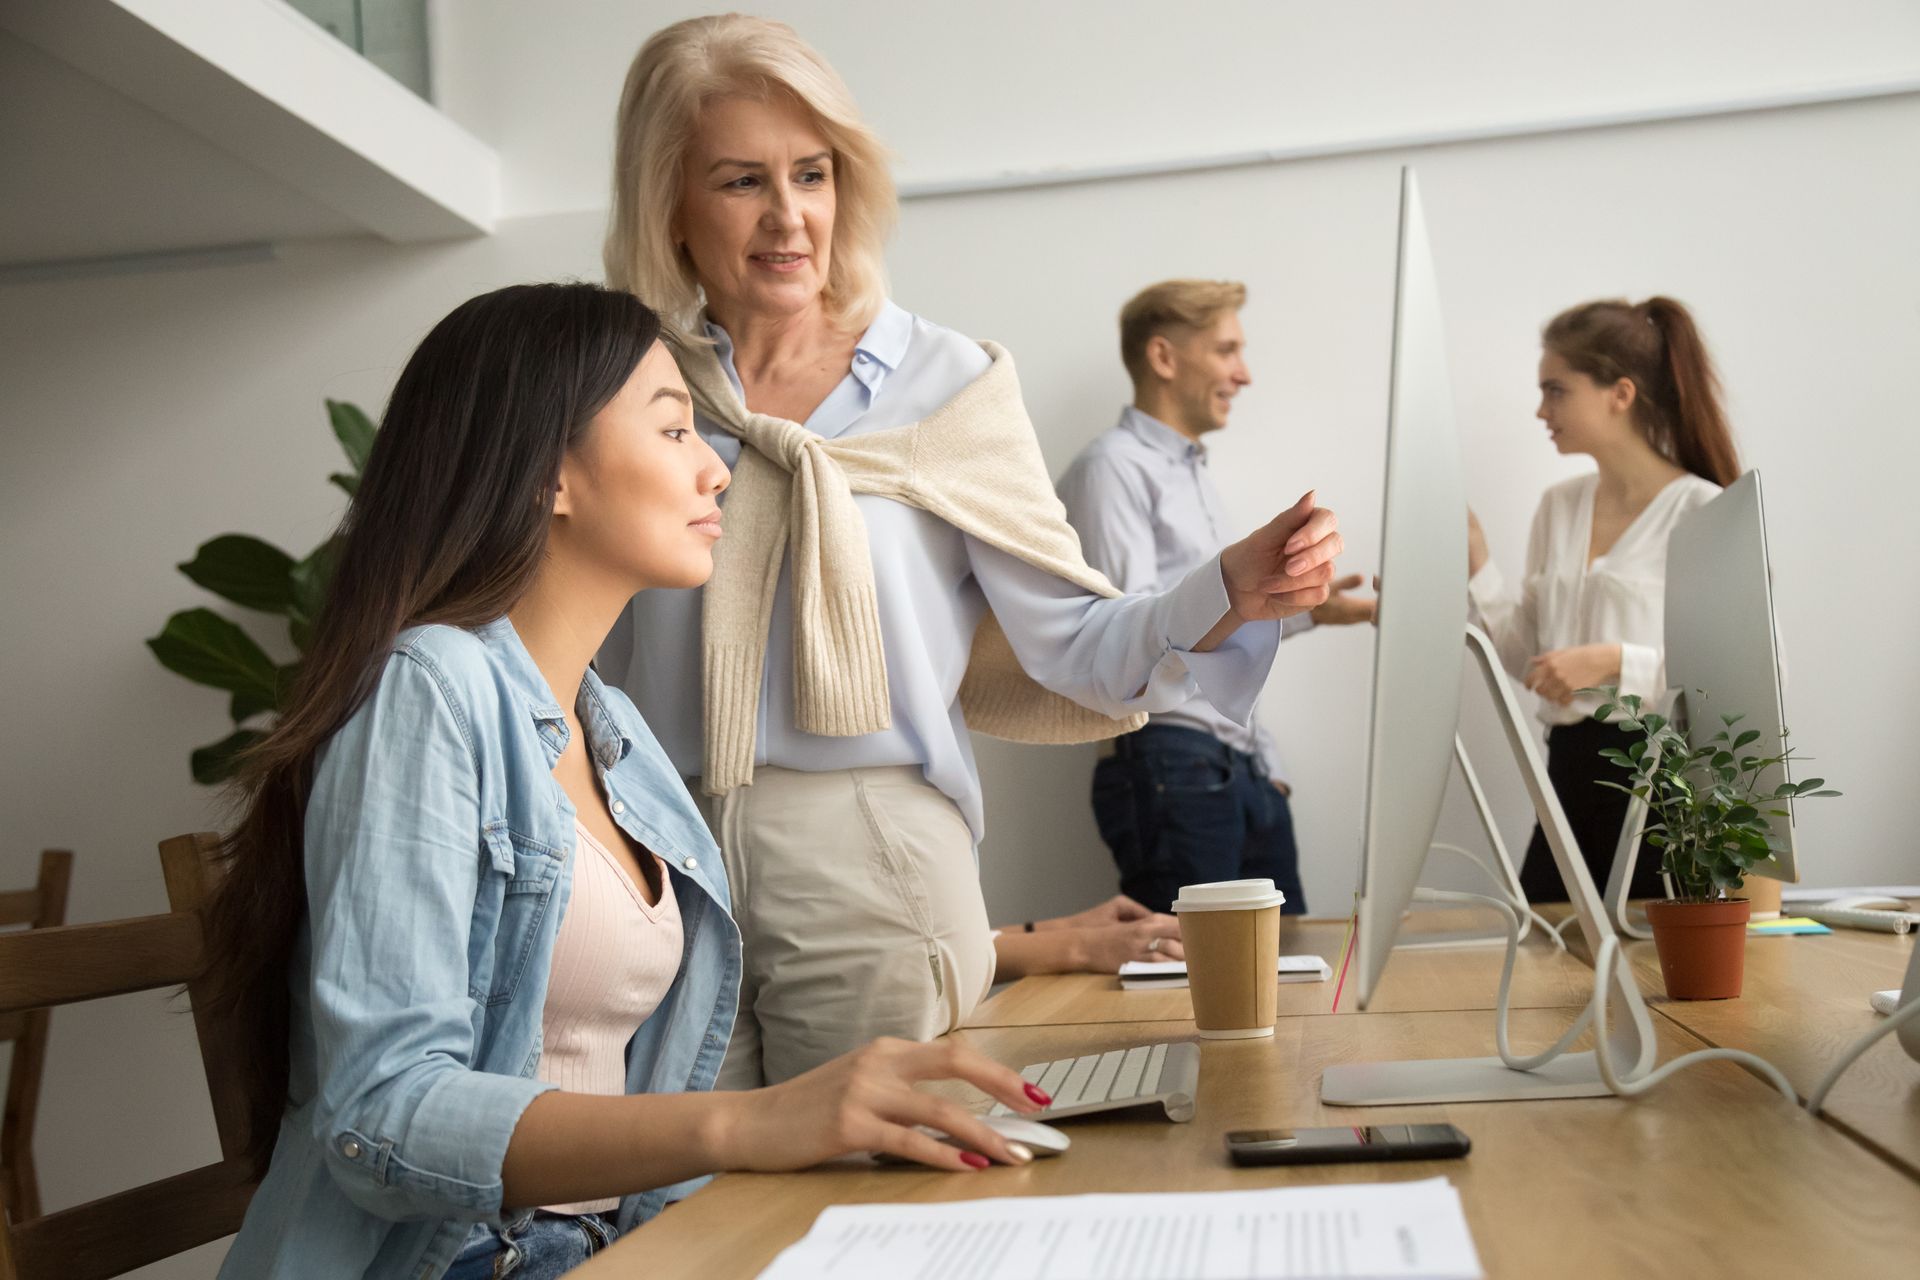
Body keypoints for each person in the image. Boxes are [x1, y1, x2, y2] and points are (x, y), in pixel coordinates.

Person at [202, 284, 1047, 1280]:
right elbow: (383, 1109)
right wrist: (749, 1121)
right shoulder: (428, 688)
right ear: (547, 473)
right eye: (675, 428)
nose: (714, 469)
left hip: (619, 1243)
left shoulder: (617, 733)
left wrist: (1017, 943)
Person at [597, 15, 1345, 1089]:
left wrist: (1224, 587)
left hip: (869, 849)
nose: (788, 216)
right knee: (680, 1216)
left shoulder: (944, 382)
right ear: (666, 194)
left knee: (862, 1225)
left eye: (812, 173)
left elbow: (1076, 641)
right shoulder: (624, 383)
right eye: (739, 181)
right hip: (660, 860)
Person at [1057, 279, 1376, 916]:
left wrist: (1312, 613)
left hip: (1237, 769)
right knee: (1191, 994)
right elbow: (1136, 635)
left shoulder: (1190, 477)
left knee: (1282, 983)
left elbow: (1205, 622)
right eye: (1227, 350)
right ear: (1164, 358)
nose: (1245, 373)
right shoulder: (1112, 469)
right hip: (1174, 763)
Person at [1468, 295, 1742, 904]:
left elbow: (1734, 679)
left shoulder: (1703, 512)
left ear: (1620, 393)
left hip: (1660, 786)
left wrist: (1617, 661)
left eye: (1556, 389)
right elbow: (1526, 661)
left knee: (1653, 975)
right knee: (1544, 951)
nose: (1541, 409)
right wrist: (1478, 561)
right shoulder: (1559, 508)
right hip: (1566, 771)